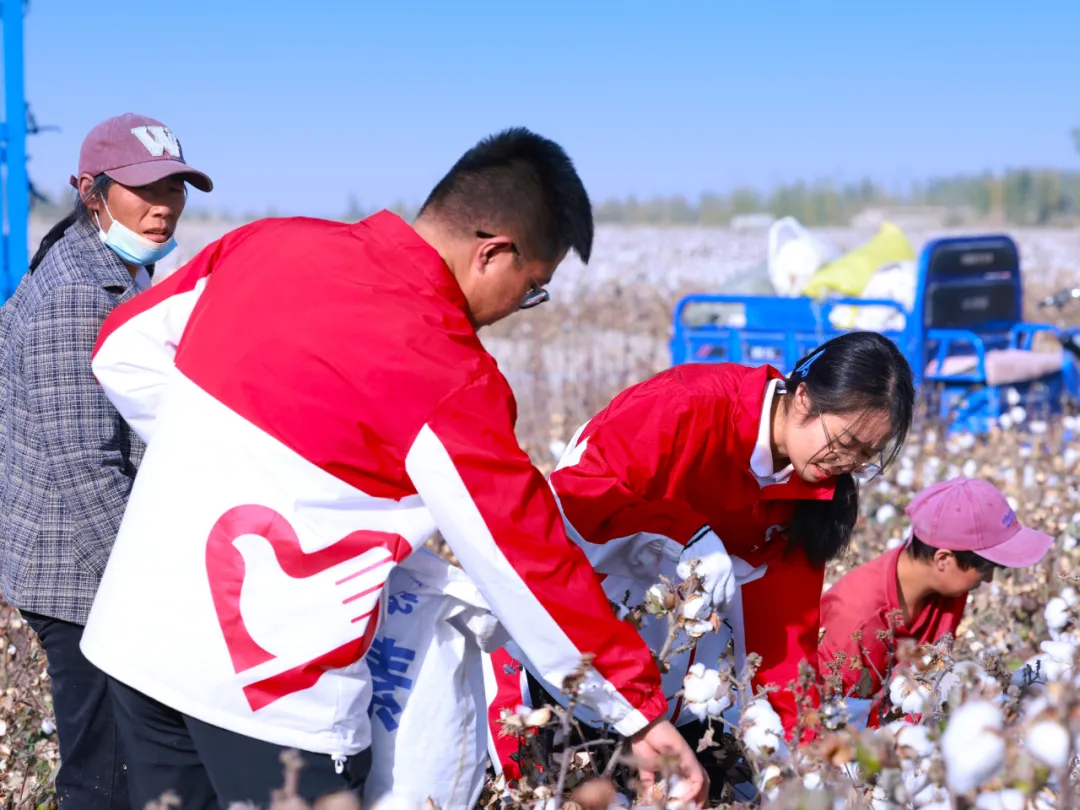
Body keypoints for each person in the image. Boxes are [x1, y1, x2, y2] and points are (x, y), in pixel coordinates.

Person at [80, 127, 708, 810]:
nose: (519, 310)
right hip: (269, 690)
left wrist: (226, 458)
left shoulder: (267, 244)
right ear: (493, 252)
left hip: (139, 637)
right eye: (532, 289)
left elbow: (121, 350)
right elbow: (524, 556)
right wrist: (636, 713)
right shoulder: (445, 370)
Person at [499, 331, 915, 774]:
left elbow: (783, 632)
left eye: (866, 457)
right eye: (846, 443)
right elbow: (573, 504)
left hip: (669, 689)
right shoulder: (685, 407)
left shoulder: (810, 495)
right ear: (804, 398)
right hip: (561, 645)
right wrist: (682, 533)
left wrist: (806, 752)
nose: (846, 465)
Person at [0, 112, 212, 810]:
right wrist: (149, 591)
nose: (163, 205)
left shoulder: (116, 269)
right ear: (92, 192)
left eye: (175, 187)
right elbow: (86, 469)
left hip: (92, 567)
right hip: (82, 578)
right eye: (144, 188)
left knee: (118, 765)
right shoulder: (76, 293)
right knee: (105, 774)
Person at [817, 476, 1053, 728]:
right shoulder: (856, 619)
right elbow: (836, 725)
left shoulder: (947, 586)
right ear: (943, 560)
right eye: (986, 569)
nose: (989, 579)